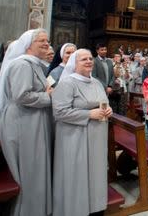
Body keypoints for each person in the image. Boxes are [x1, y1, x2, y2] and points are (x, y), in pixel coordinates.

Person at [0, 29, 54, 216]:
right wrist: (49, 96)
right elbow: (22, 96)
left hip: (31, 120)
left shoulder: (33, 64)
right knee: (29, 169)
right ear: (28, 45)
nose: (46, 43)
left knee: (34, 168)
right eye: (41, 41)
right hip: (22, 121)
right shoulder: (22, 65)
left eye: (47, 40)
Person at [52, 49, 112, 216]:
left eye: (90, 59)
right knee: (76, 176)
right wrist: (88, 114)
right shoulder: (67, 83)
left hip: (97, 138)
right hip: (74, 138)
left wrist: (109, 111)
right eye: (83, 59)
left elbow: (104, 103)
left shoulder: (96, 83)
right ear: (74, 63)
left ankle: (95, 208)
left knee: (96, 175)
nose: (88, 61)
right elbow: (59, 112)